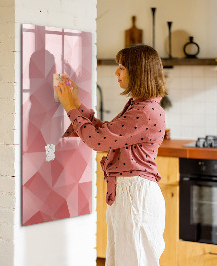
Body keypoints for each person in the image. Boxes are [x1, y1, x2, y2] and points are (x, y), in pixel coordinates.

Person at [54, 44, 167, 266]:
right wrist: (76, 103)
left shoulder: (144, 111)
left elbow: (98, 141)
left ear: (138, 71)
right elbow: (106, 133)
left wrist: (70, 108)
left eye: (122, 67)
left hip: (135, 196)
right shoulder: (140, 106)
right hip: (129, 194)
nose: (116, 72)